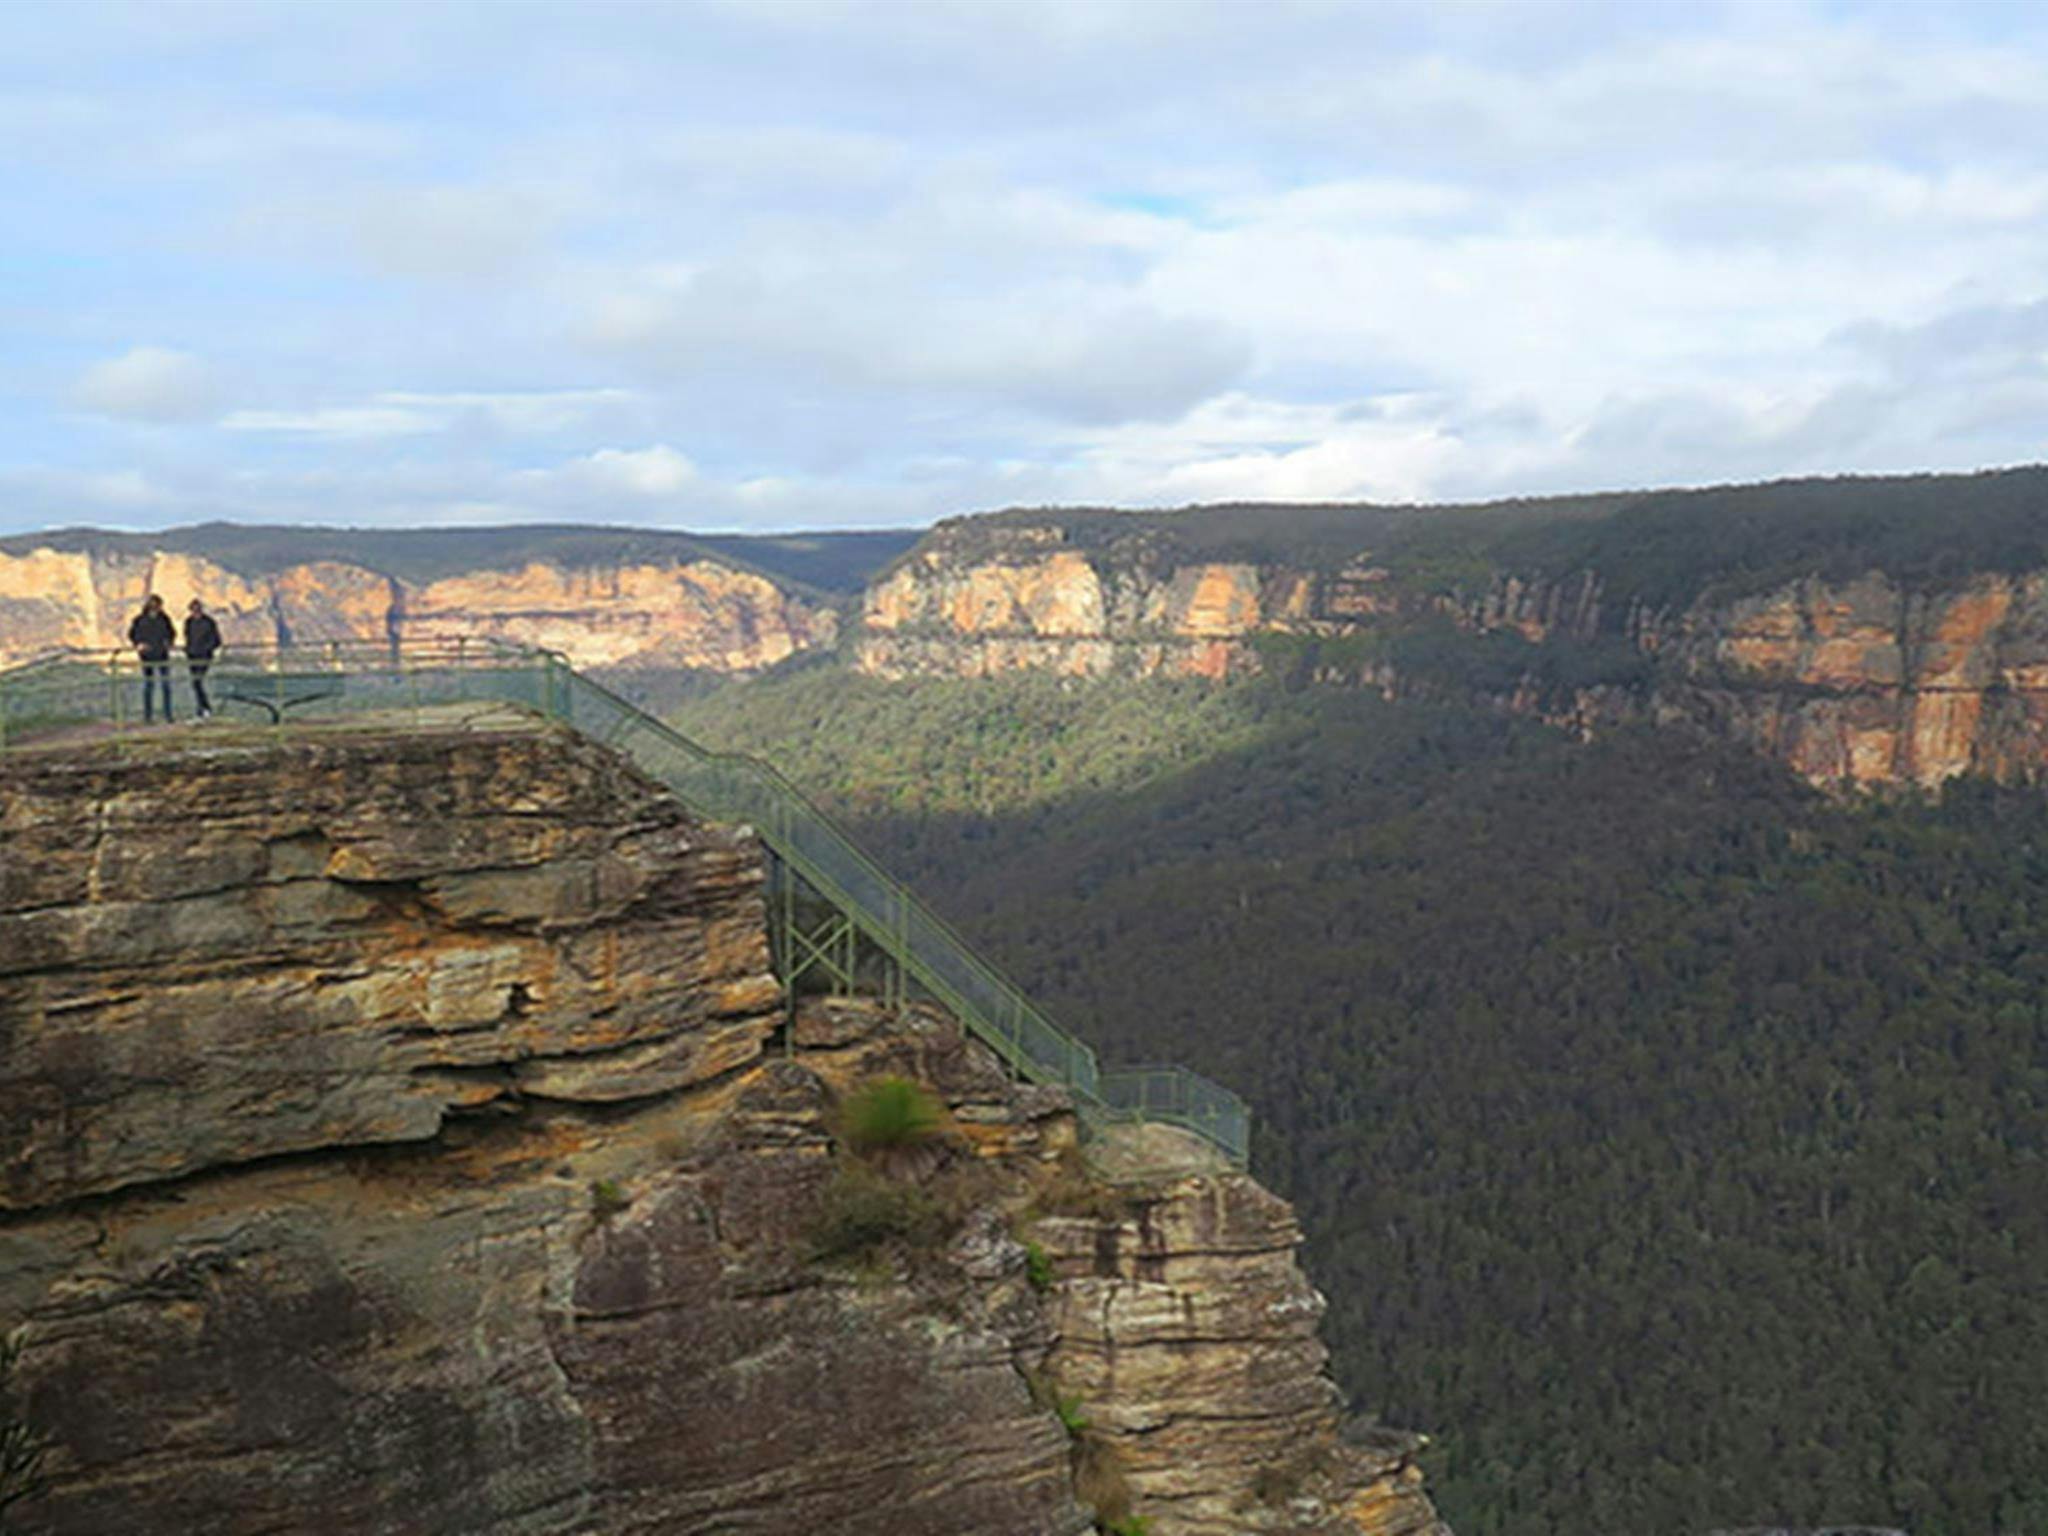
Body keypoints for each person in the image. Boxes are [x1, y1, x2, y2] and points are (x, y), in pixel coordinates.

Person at [127, 595, 175, 723]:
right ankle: (148, 716)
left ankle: (168, 715)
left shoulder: (164, 619)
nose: (155, 607)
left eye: (157, 605)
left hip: (162, 655)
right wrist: (139, 644)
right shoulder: (140, 620)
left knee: (165, 685)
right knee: (149, 685)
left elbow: (171, 633)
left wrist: (168, 643)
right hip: (147, 656)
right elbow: (132, 634)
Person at [184, 599, 222, 719]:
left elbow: (216, 640)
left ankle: (205, 708)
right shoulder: (188, 622)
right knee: (195, 683)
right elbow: (188, 637)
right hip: (192, 656)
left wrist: (206, 649)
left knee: (197, 682)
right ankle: (202, 708)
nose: (195, 612)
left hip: (204, 656)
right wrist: (188, 649)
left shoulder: (209, 622)